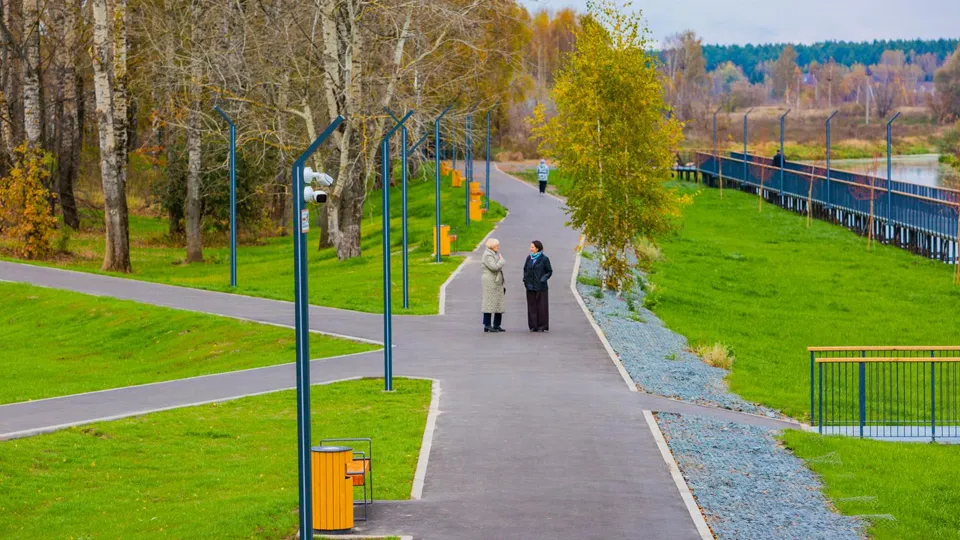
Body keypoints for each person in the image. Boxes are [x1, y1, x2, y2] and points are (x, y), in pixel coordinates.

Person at [522, 240, 553, 332]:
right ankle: (533, 325)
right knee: (531, 306)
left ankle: (542, 325)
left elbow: (549, 271)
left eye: (532, 247)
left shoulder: (544, 259)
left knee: (541, 306)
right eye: (530, 247)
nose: (530, 249)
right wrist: (525, 280)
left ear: (537, 248)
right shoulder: (529, 258)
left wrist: (542, 280)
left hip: (541, 287)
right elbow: (525, 269)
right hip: (530, 286)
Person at [480, 238, 506, 333]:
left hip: (497, 281)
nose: (498, 247)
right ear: (492, 246)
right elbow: (494, 267)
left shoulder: (493, 254)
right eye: (496, 245)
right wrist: (501, 261)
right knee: (489, 302)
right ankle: (487, 325)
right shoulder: (487, 255)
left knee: (499, 302)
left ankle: (497, 324)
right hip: (490, 281)